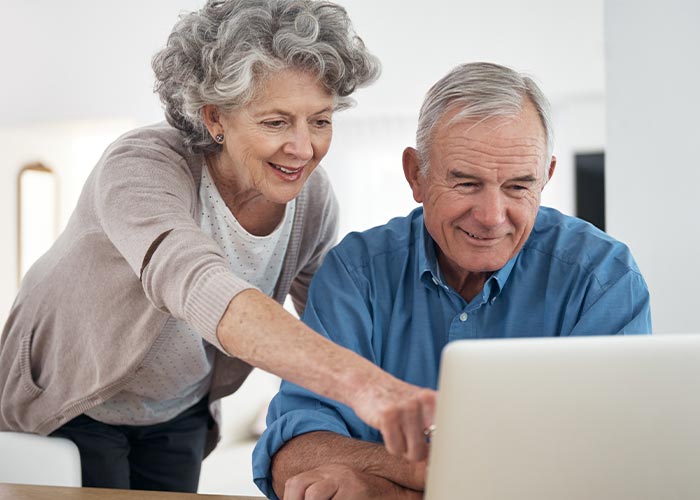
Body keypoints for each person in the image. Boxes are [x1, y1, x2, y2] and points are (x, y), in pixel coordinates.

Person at [0, 0, 436, 492]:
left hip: (178, 409)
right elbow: (195, 282)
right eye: (276, 122)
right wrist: (365, 387)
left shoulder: (312, 199)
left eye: (320, 120)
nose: (302, 147)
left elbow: (333, 322)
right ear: (215, 118)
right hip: (72, 401)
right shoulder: (141, 165)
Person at [252, 61, 652, 499]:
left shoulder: (603, 280)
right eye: (466, 183)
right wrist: (441, 473)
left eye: (519, 187)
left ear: (547, 177)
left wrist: (387, 490)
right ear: (416, 175)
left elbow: (612, 468)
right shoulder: (355, 275)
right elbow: (292, 453)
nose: (492, 217)